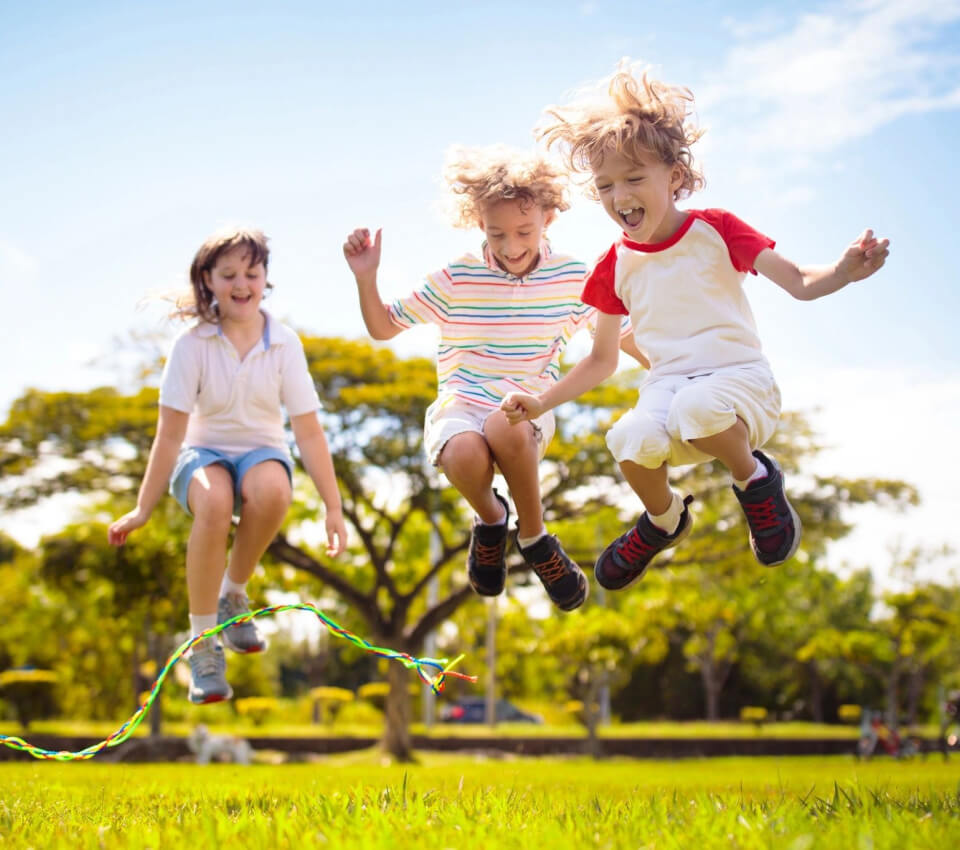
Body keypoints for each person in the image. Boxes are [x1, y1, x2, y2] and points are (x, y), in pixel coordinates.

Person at [502, 66, 890, 590]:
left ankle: (755, 480)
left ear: (675, 177)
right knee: (628, 436)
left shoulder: (716, 229)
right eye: (606, 185)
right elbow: (602, 359)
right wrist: (540, 402)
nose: (620, 196)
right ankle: (664, 520)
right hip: (670, 392)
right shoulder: (611, 266)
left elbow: (798, 280)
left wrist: (844, 272)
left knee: (698, 406)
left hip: (738, 384)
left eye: (634, 178)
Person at [343, 145, 640, 611]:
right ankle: (490, 519)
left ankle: (536, 537)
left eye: (524, 230)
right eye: (497, 232)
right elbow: (383, 327)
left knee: (505, 424)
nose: (511, 245)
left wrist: (678, 369)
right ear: (480, 223)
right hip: (462, 401)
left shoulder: (573, 277)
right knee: (462, 449)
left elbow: (622, 339)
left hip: (530, 404)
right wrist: (366, 277)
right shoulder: (457, 277)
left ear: (548, 219)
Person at [108, 227, 347, 703]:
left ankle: (232, 593)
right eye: (230, 274)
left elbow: (308, 431)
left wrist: (333, 507)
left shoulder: (284, 344)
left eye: (252, 273)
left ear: (265, 279)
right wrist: (142, 509)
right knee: (215, 501)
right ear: (208, 280)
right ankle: (203, 646)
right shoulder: (191, 344)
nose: (242, 284)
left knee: (274, 491)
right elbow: (171, 433)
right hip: (202, 453)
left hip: (262, 450)